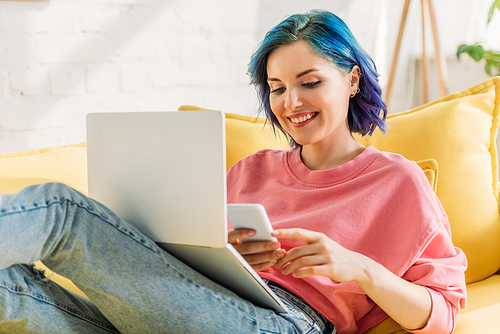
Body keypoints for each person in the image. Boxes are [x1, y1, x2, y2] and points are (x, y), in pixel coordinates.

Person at [0, 10, 466, 334]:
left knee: (62, 211)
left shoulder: (399, 182)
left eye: (309, 83)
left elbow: (443, 314)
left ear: (352, 79)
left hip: (287, 322)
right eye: (277, 87)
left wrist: (360, 268)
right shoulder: (251, 171)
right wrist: (232, 258)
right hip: (196, 308)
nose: (291, 103)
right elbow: (192, 266)